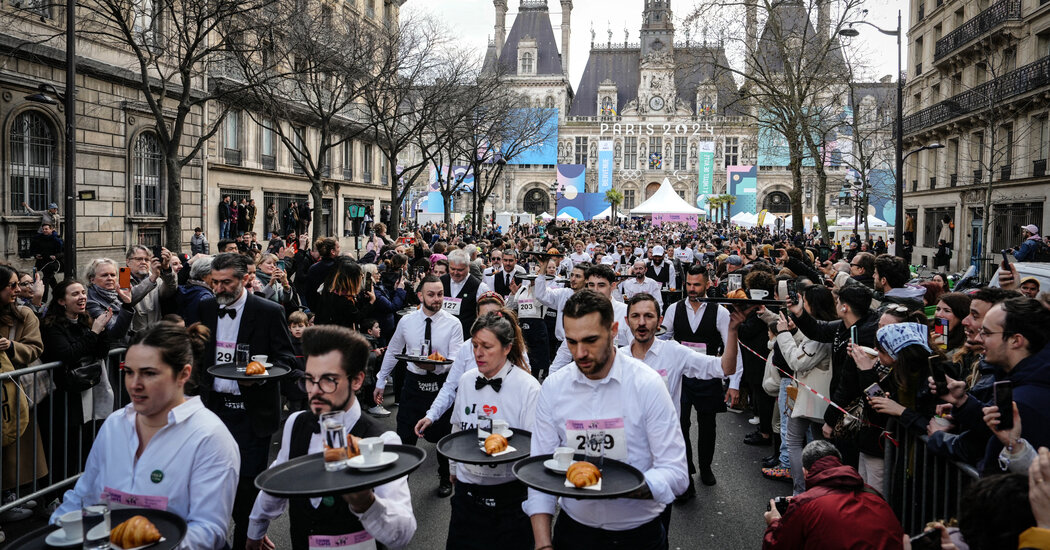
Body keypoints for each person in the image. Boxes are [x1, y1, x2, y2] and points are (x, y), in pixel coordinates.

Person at [50, 322, 239, 549]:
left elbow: (208, 531)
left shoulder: (210, 437)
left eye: (149, 373)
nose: (134, 384)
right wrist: (55, 530)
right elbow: (84, 495)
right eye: (129, 372)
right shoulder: (114, 424)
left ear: (183, 374)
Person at [526, 290, 688, 549]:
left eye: (591, 340)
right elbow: (540, 471)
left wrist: (627, 487)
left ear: (613, 330)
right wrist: (543, 544)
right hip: (574, 532)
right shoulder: (554, 387)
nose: (580, 353)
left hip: (638, 535)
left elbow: (677, 474)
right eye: (571, 341)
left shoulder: (647, 384)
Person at [246, 325, 416, 550]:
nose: (314, 391)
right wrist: (255, 530)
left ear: (356, 381)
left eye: (328, 380)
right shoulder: (296, 423)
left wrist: (367, 504)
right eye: (309, 379)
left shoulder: (382, 440)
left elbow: (403, 534)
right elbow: (275, 482)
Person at [197, 252, 297, 550]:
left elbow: (286, 359)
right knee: (210, 485)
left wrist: (261, 376)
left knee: (247, 489)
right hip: (213, 411)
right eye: (215, 282)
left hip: (253, 414)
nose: (219, 289)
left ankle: (246, 540)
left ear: (244, 280)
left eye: (226, 283)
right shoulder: (205, 308)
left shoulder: (267, 311)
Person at [624, 292, 744, 506]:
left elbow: (725, 368)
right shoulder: (617, 358)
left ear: (660, 321)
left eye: (649, 316)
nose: (641, 323)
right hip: (628, 454)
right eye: (635, 316)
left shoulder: (674, 352)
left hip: (663, 455)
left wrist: (732, 330)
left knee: (658, 520)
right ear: (627, 321)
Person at [446, 311, 539, 550]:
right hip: (467, 494)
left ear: (507, 348)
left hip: (510, 498)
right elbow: (458, 426)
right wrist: (454, 468)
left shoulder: (527, 387)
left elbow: (536, 450)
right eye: (475, 345)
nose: (478, 353)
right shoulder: (467, 379)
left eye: (487, 346)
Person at [373, 275, 464, 498]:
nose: (436, 299)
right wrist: (381, 380)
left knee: (443, 438)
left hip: (440, 386)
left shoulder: (454, 323)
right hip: (413, 386)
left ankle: (445, 477)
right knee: (404, 437)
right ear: (420, 295)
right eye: (431, 294)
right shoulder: (407, 321)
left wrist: (434, 367)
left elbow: (455, 360)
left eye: (440, 294)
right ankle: (399, 482)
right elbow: (394, 350)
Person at [661, 265, 743, 490]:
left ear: (708, 284)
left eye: (696, 284)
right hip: (682, 377)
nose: (691, 289)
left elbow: (732, 349)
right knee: (680, 424)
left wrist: (733, 384)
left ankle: (706, 467)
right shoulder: (674, 309)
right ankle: (685, 469)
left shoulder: (720, 312)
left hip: (709, 376)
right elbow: (663, 338)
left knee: (708, 425)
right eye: (688, 284)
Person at [39, 279, 132, 480]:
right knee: (64, 448)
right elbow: (68, 354)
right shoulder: (51, 326)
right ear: (62, 301)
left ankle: (82, 483)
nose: (82, 297)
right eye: (75, 294)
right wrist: (94, 331)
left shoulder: (86, 320)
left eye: (83, 293)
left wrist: (102, 329)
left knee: (86, 442)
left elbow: (101, 352)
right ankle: (56, 494)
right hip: (63, 397)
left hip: (87, 392)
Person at [761, 440, 903, 549]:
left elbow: (776, 546)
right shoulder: (874, 494)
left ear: (805, 473)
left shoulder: (806, 504)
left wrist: (774, 522)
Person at [777, 285, 835, 495]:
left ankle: (801, 492)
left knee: (795, 442)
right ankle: (817, 491)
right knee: (819, 446)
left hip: (813, 397)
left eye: (805, 303)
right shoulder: (828, 327)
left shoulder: (823, 333)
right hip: (814, 397)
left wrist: (783, 334)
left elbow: (797, 361)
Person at [125, 245, 176, 335]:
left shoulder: (157, 278)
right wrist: (152, 279)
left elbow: (170, 290)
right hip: (133, 338)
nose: (143, 262)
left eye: (147, 260)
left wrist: (167, 269)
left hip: (155, 335)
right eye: (139, 259)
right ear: (128, 261)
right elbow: (127, 300)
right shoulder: (123, 278)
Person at [441, 249, 491, 336]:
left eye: (460, 270)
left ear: (468, 267)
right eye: (452, 269)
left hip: (466, 337)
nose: (455, 273)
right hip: (442, 334)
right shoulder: (441, 282)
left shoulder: (480, 287)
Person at [29, 223, 63, 302]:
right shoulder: (38, 239)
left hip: (51, 264)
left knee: (45, 281)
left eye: (46, 229)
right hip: (40, 263)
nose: (44, 231)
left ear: (51, 229)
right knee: (52, 281)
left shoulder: (57, 239)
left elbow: (62, 252)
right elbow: (33, 249)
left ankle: (43, 301)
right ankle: (59, 296)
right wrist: (35, 255)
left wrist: (55, 256)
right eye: (43, 229)